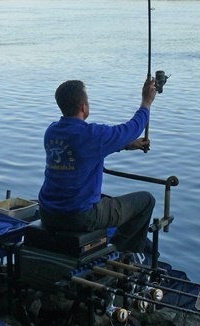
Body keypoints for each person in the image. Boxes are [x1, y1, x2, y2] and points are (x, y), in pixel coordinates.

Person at [38, 76, 157, 260]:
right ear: (83, 107)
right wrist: (146, 102)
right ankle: (122, 254)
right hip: (79, 216)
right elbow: (132, 128)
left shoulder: (52, 131)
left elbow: (84, 149)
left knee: (107, 200)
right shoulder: (92, 135)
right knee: (146, 201)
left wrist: (127, 144)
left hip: (48, 212)